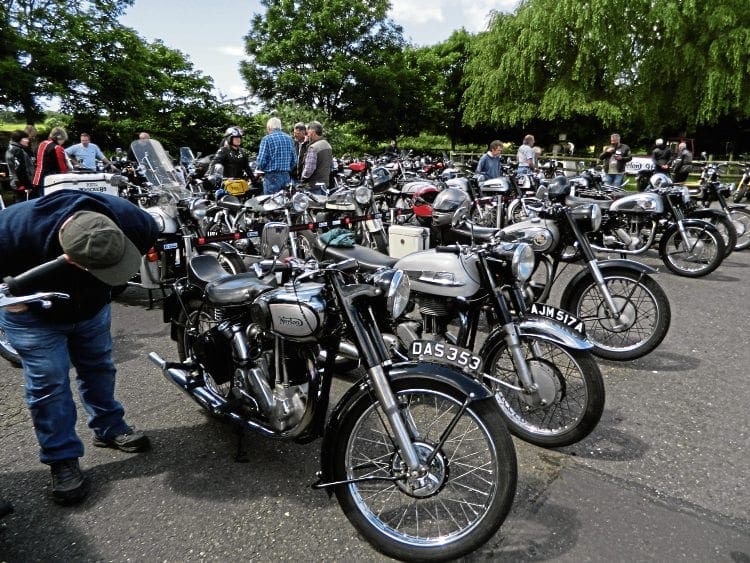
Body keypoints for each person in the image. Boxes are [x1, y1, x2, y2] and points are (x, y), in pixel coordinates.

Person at [0, 190, 160, 506]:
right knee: (50, 384)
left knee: (99, 366)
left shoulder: (134, 220)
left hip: (92, 308)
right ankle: (62, 458)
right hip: (33, 312)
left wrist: (110, 287)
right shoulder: (13, 228)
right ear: (68, 257)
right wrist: (13, 305)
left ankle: (108, 427)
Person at [255, 117, 297, 195]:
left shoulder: (267, 139)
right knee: (285, 201)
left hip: (272, 177)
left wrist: (261, 170)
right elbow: (294, 160)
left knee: (271, 203)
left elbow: (261, 161)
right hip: (286, 176)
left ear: (269, 127)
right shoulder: (289, 139)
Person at [299, 121, 333, 193]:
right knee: (322, 204)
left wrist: (302, 180)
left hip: (313, 186)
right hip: (324, 185)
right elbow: (331, 166)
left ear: (313, 132)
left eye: (308, 133)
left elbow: (309, 170)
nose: (307, 135)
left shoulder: (313, 147)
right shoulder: (328, 145)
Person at [5, 130, 37, 203]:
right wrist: (28, 186)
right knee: (25, 206)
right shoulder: (17, 150)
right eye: (25, 138)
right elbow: (20, 170)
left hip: (16, 183)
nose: (28, 140)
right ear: (19, 139)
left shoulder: (11, 148)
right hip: (22, 185)